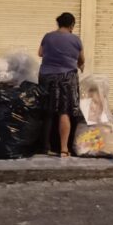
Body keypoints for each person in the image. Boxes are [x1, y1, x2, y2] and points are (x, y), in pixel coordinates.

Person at [38, 12, 85, 157]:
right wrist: (79, 65)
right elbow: (81, 59)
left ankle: (44, 147)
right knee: (64, 112)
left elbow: (40, 53)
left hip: (47, 76)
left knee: (47, 111)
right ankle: (64, 149)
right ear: (72, 25)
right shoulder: (76, 40)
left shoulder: (48, 36)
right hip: (67, 77)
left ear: (58, 23)